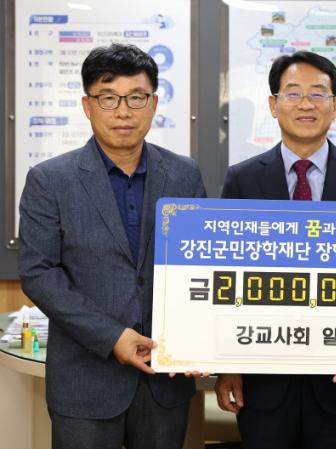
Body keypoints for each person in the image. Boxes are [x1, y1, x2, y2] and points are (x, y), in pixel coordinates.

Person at [18, 43, 206, 449]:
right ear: (88, 106)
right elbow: (38, 273)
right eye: (108, 98)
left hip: (165, 378)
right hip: (85, 380)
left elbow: (200, 266)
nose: (123, 112)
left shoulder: (184, 175)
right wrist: (111, 336)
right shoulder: (50, 180)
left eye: (136, 97)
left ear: (154, 104)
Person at [215, 51, 336, 449]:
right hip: (263, 382)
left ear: (335, 105)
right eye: (293, 93)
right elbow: (227, 278)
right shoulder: (242, 180)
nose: (306, 104)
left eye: (318, 93)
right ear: (273, 104)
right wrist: (228, 367)